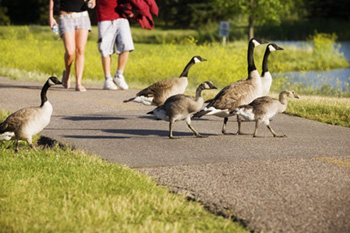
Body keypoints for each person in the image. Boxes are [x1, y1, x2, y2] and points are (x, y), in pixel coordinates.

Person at [96, 0, 158, 90]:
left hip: (121, 17)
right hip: (105, 16)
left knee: (126, 45)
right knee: (105, 49)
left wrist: (131, 10)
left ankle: (119, 75)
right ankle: (107, 79)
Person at [49, 0, 95, 92]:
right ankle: (67, 73)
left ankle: (78, 83)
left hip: (82, 16)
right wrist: (51, 16)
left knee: (80, 50)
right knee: (70, 52)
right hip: (65, 17)